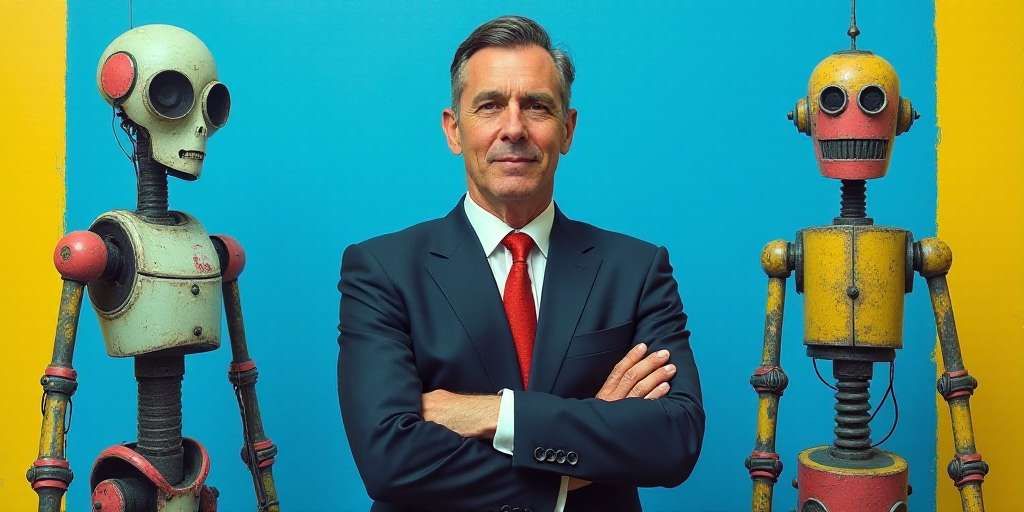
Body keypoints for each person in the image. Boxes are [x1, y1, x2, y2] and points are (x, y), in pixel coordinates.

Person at [337, 15, 704, 512]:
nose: (513, 128)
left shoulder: (636, 270)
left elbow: (674, 439)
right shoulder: (382, 270)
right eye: (490, 106)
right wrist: (585, 445)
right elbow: (388, 459)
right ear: (454, 129)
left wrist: (496, 414)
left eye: (537, 107)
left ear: (568, 129)